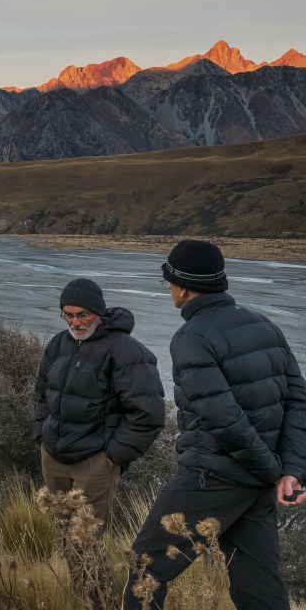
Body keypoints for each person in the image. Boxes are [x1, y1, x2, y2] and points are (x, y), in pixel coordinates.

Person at [123, 239, 306, 610]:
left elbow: (223, 418)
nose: (169, 289)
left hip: (212, 477)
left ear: (184, 286)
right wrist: (291, 470)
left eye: (168, 282)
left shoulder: (192, 337)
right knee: (259, 587)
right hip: (256, 484)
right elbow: (297, 401)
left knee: (145, 564)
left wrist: (275, 471)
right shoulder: (264, 325)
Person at [35, 278, 166, 526]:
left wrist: (111, 457)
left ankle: (90, 568)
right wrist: (42, 434)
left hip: (94, 461)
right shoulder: (59, 343)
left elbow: (149, 413)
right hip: (53, 456)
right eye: (68, 315)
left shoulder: (125, 350)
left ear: (98, 313)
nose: (75, 322)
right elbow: (42, 392)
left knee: (86, 541)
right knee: (60, 530)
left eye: (82, 315)